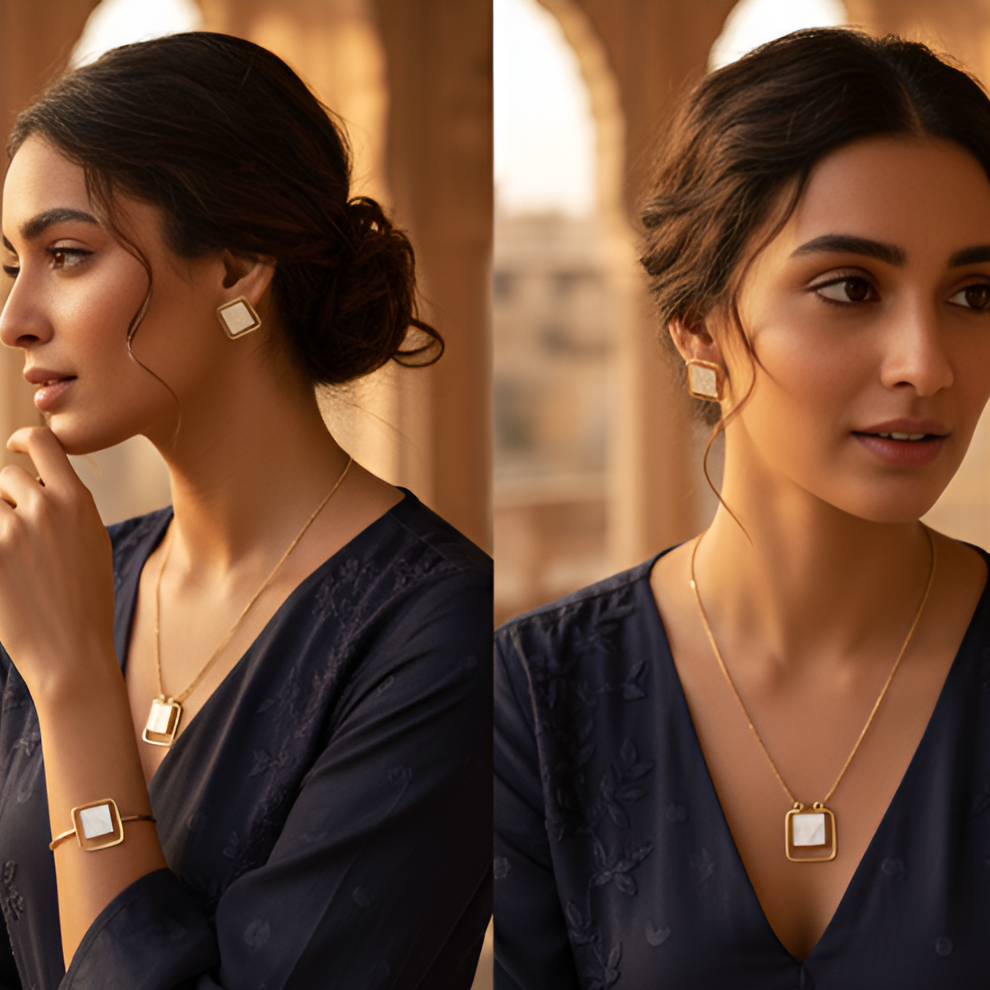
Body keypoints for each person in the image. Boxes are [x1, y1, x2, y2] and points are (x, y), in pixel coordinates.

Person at [494, 27, 990, 988]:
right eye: (850, 287)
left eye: (975, 293)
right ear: (699, 332)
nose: (927, 363)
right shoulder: (539, 700)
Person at [0, 31, 491, 990]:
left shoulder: (437, 636)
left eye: (66, 254)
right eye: (11, 264)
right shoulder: (67, 578)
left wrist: (73, 684)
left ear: (237, 269)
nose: (16, 315)